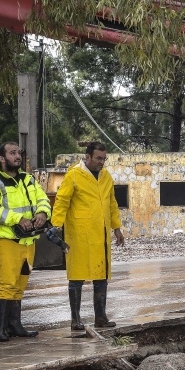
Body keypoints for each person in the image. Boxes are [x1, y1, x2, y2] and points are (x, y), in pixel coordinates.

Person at [0, 142, 51, 342]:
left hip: (28, 240)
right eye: (12, 153)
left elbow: (42, 198)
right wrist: (17, 219)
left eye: (19, 152)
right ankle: (0, 329)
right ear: (1, 158)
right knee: (7, 283)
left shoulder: (28, 179)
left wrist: (43, 213)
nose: (17, 156)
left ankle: (15, 325)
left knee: (20, 283)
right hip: (6, 239)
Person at [51, 141, 124, 330]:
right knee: (77, 276)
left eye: (104, 159)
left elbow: (112, 203)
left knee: (101, 275)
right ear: (88, 156)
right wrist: (57, 225)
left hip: (101, 234)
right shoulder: (74, 174)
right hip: (80, 234)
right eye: (98, 158)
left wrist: (117, 228)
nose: (102, 162)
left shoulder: (106, 176)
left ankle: (100, 317)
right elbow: (62, 201)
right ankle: (75, 319)